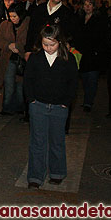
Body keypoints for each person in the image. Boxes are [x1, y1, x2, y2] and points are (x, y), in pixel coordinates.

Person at [24, 24, 78, 189]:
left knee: (57, 141)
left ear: (59, 42)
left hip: (58, 107)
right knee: (37, 142)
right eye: (45, 44)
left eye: (52, 44)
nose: (48, 48)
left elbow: (73, 83)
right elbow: (27, 81)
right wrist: (31, 100)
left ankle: (57, 172)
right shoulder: (35, 58)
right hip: (38, 105)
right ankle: (35, 175)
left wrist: (66, 102)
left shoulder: (68, 59)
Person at [0, 4, 30, 116]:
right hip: (8, 58)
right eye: (10, 16)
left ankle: (20, 107)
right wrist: (8, 45)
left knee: (20, 84)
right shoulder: (5, 25)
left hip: (22, 58)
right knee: (8, 82)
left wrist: (18, 46)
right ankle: (7, 107)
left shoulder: (28, 24)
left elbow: (30, 40)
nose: (12, 19)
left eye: (15, 16)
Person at [76, 0, 107, 112]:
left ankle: (89, 102)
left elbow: (102, 37)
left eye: (89, 5)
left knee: (92, 79)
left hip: (94, 54)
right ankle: (86, 100)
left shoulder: (99, 19)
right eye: (85, 5)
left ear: (93, 6)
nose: (87, 7)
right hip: (82, 54)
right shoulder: (80, 18)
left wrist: (98, 51)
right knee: (84, 79)